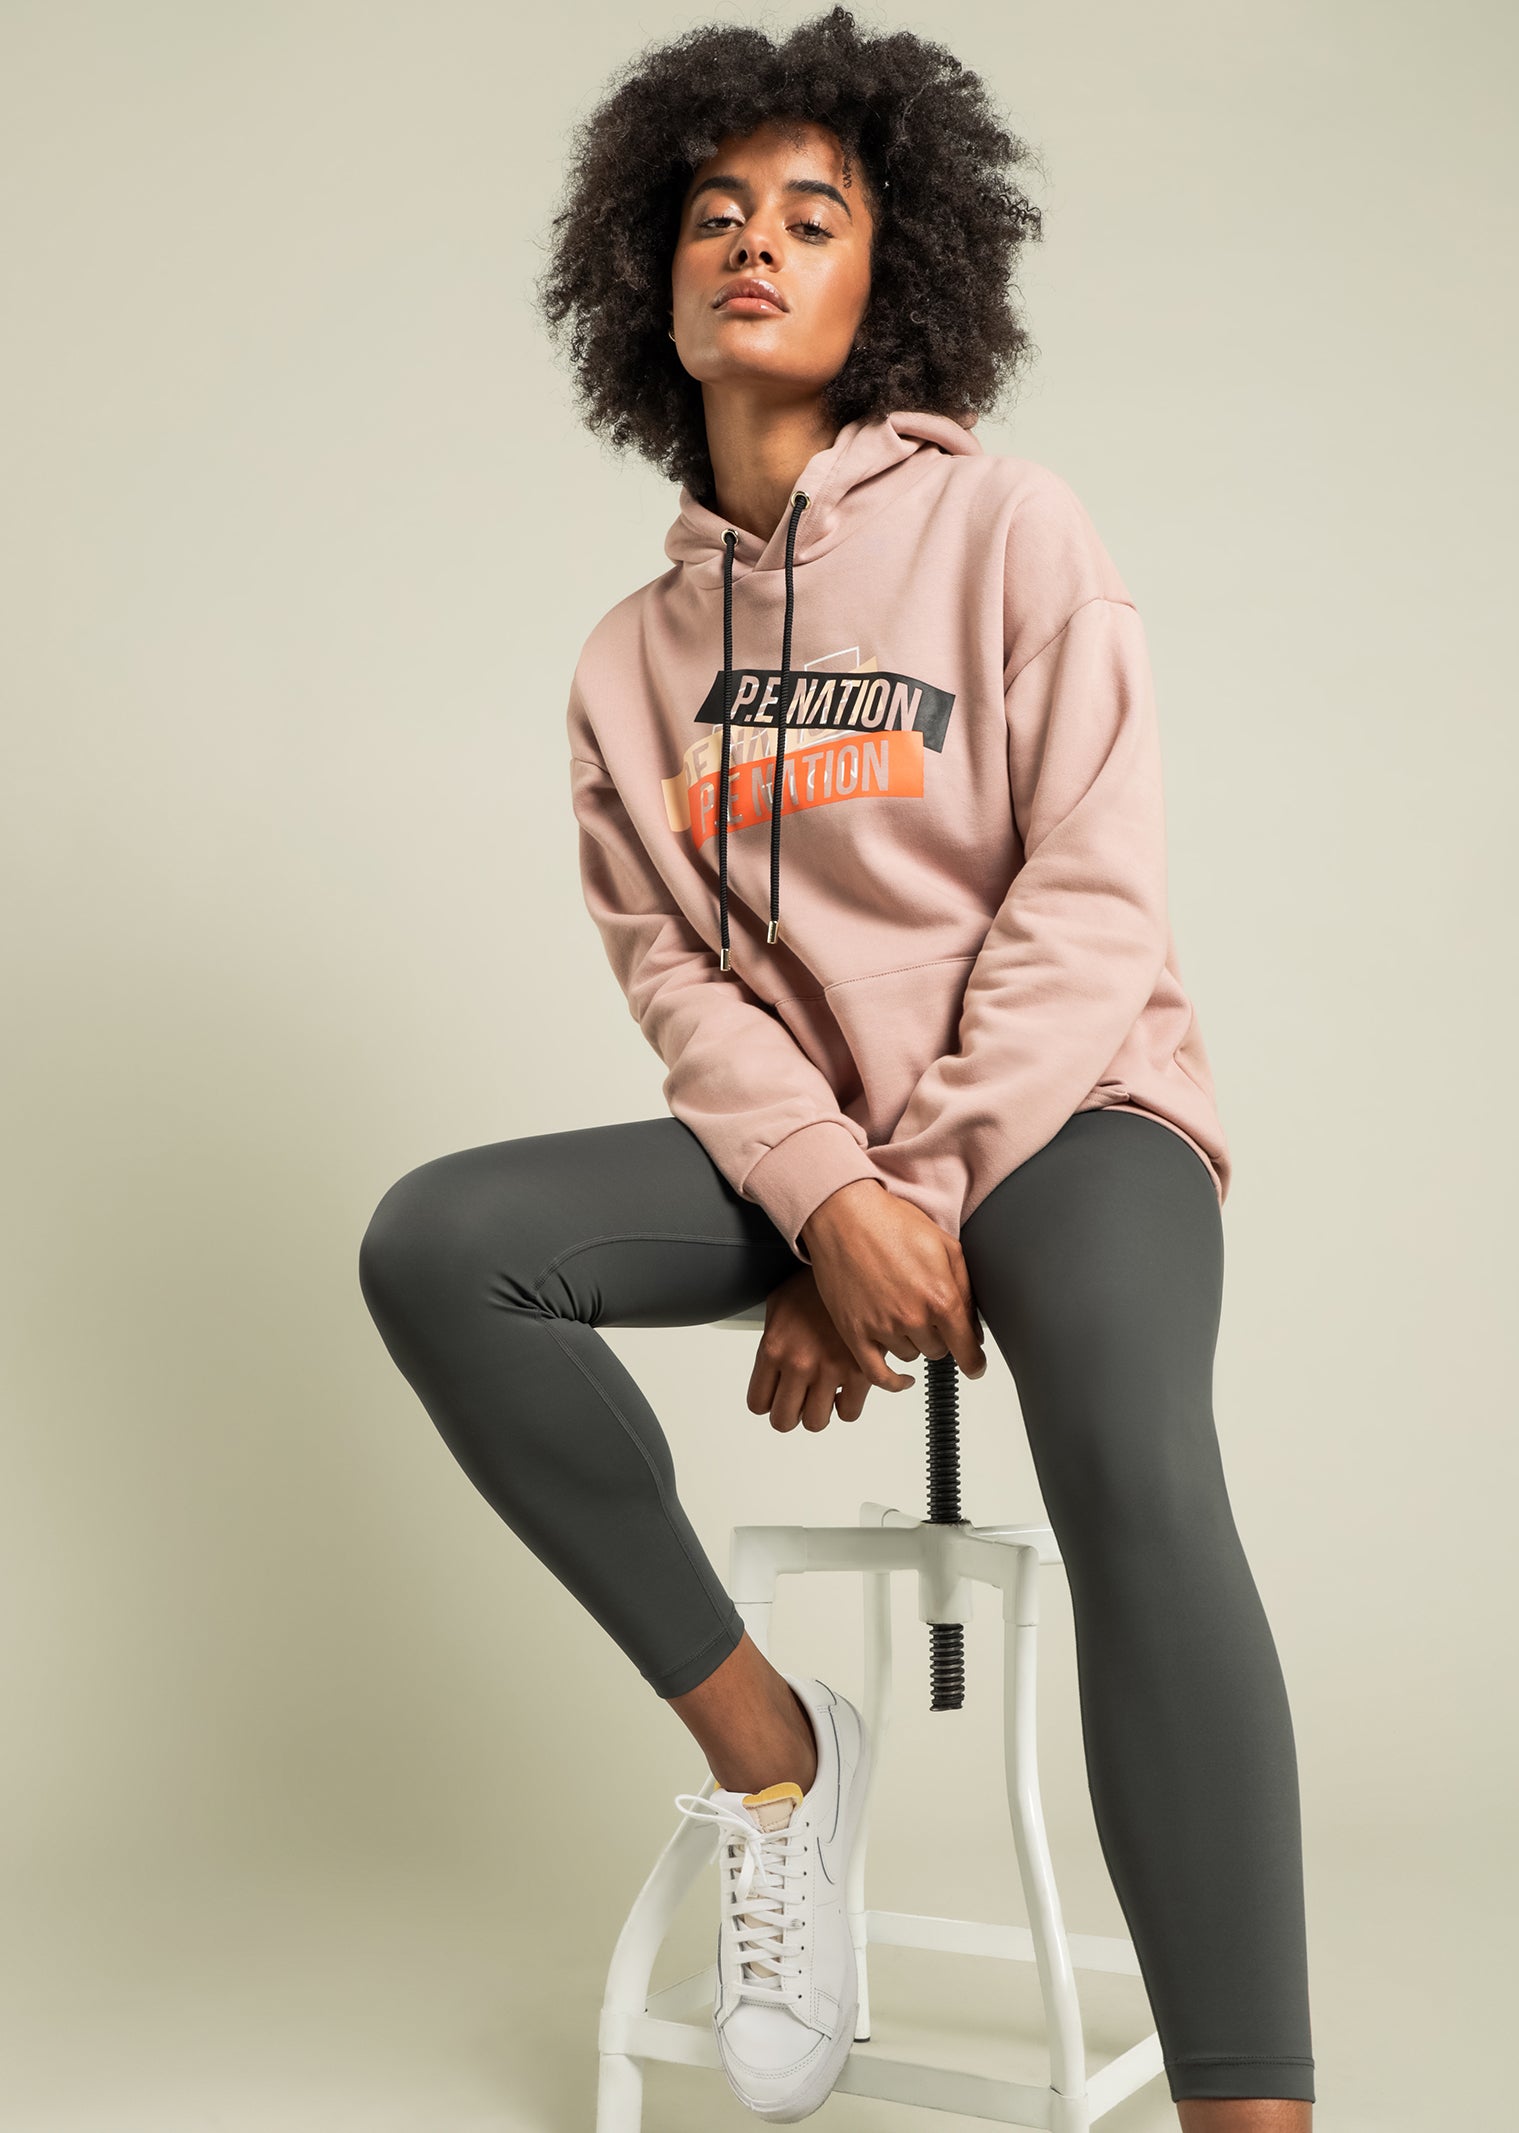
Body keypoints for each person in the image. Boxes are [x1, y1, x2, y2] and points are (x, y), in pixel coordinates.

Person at [358, 8, 1316, 2125]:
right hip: (809, 1149)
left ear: (898, 275)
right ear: (650, 279)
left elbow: (1091, 897)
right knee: (439, 1245)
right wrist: (818, 1195)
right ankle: (772, 1755)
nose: (755, 245)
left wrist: (907, 1198)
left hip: (1070, 1113)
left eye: (812, 214)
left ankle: (1250, 2113)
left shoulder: (1012, 531)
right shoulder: (631, 662)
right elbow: (684, 988)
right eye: (714, 214)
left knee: (1137, 1463)